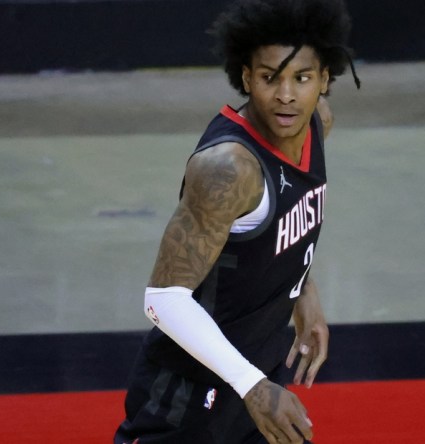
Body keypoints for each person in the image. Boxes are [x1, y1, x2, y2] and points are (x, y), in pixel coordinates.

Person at [114, 0, 360, 442]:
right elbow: (163, 300)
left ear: (324, 80)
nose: (286, 94)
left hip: (257, 373)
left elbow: (286, 226)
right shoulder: (227, 169)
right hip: (191, 394)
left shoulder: (316, 124)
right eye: (269, 78)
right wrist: (251, 385)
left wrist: (305, 292)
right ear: (247, 78)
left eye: (301, 78)